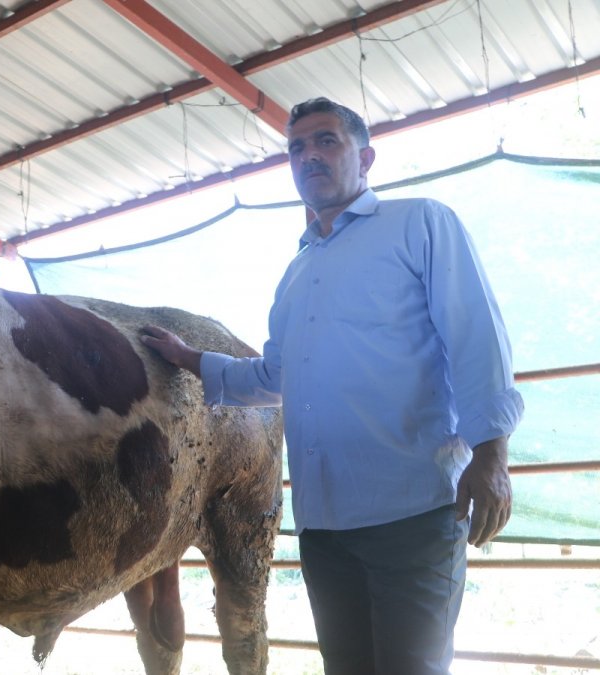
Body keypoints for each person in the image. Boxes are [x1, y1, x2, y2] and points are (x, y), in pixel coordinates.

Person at [139, 97, 524, 675]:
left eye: (327, 141)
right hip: (323, 526)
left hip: (413, 511)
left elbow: (475, 335)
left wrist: (491, 454)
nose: (309, 156)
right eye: (297, 148)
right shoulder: (296, 275)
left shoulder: (420, 223)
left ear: (365, 158)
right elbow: (275, 378)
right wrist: (189, 358)